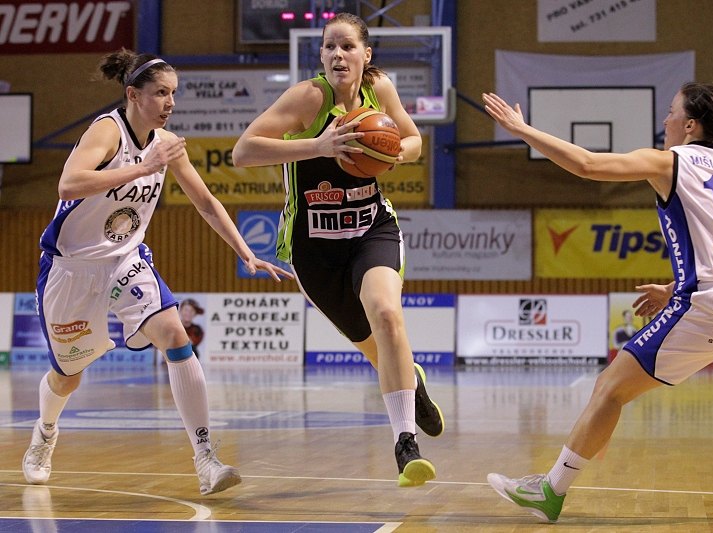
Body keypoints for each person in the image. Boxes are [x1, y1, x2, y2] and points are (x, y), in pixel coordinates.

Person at [482, 83, 713, 522]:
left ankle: (550, 491)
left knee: (609, 390)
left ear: (689, 125)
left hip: (712, 308)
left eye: (671, 112)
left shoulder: (669, 161)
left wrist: (521, 129)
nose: (665, 120)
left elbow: (587, 164)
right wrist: (675, 287)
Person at [23, 49, 292, 496]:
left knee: (175, 336)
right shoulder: (106, 131)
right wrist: (142, 167)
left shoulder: (166, 143)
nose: (170, 103)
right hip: (70, 267)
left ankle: (205, 458)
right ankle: (45, 432)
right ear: (133, 95)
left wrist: (246, 252)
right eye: (161, 93)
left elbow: (206, 202)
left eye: (173, 94)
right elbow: (69, 183)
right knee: (68, 377)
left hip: (125, 259)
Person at [232, 12, 443, 487]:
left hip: (371, 227)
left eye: (347, 46)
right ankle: (413, 382)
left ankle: (405, 444)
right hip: (314, 246)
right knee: (376, 349)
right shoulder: (308, 99)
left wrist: (393, 150)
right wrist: (319, 146)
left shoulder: (379, 89)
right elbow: (242, 152)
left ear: (366, 54)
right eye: (329, 46)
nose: (337, 55)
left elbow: (413, 140)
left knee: (386, 314)